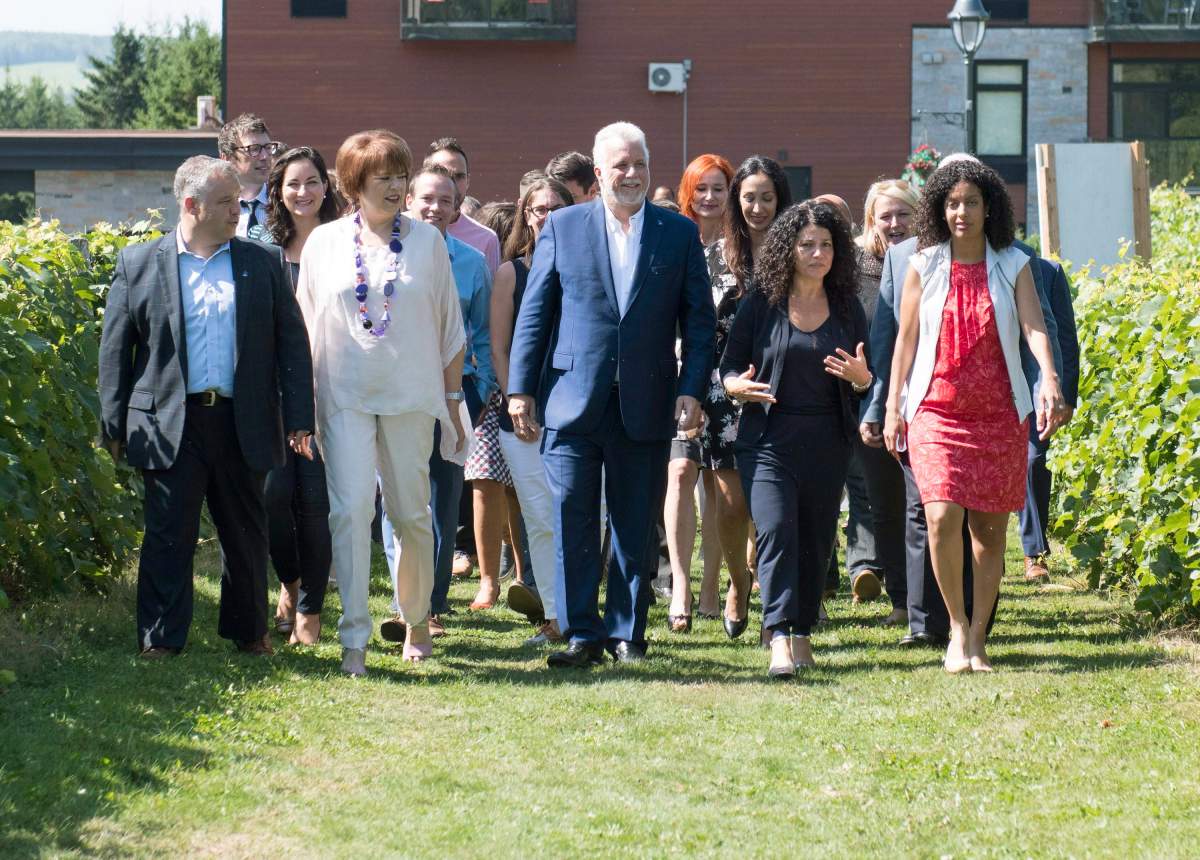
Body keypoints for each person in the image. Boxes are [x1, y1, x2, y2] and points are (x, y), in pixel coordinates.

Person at [508, 121, 716, 667]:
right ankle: (582, 633)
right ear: (598, 172)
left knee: (633, 524)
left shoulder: (678, 233)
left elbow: (699, 321)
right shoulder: (564, 226)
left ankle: (627, 634)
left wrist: (692, 387)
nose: (631, 174)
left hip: (646, 402)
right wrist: (520, 390)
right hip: (572, 399)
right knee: (572, 519)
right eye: (620, 165)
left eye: (640, 163)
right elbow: (535, 314)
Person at [98, 155, 315, 657]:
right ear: (192, 205)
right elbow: (116, 350)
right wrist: (113, 425)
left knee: (245, 531)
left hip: (243, 419)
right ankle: (160, 639)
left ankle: (249, 632)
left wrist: (299, 419)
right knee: (167, 532)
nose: (238, 210)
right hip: (168, 421)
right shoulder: (139, 263)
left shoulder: (262, 262)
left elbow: (292, 343)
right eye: (226, 202)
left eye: (237, 200)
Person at [865, 155, 1063, 649]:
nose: (961, 213)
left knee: (988, 534)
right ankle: (954, 627)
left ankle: (978, 636)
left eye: (971, 203)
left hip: (999, 415)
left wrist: (1049, 378)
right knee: (940, 516)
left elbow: (1035, 327)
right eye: (952, 203)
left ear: (989, 207)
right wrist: (892, 406)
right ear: (939, 208)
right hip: (935, 411)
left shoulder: (1014, 264)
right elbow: (904, 341)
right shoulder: (922, 264)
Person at [296, 129, 466, 676]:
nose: (395, 188)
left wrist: (452, 401)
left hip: (410, 395)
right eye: (383, 178)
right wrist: (300, 409)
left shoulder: (427, 242)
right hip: (342, 395)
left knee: (410, 513)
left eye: (400, 176)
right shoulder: (323, 243)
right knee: (349, 512)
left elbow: (450, 328)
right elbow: (304, 329)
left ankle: (415, 618)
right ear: (353, 184)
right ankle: (354, 638)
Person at [721, 201, 871, 678]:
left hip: (828, 441)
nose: (817, 253)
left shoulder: (847, 308)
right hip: (768, 441)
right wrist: (734, 386)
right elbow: (728, 366)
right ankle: (780, 635)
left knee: (816, 538)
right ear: (788, 249)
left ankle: (802, 631)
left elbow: (870, 375)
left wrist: (862, 380)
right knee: (776, 532)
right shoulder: (760, 304)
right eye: (807, 244)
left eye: (826, 245)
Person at [376, 163, 494, 639]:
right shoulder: (381, 256)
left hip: (453, 393)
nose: (435, 208)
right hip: (397, 392)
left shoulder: (471, 262)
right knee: (397, 498)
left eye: (445, 200)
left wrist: (477, 395)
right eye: (426, 198)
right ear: (408, 201)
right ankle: (404, 599)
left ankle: (433, 602)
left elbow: (483, 336)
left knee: (444, 502)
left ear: (457, 208)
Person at [490, 176, 575, 644]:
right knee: (540, 518)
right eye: (539, 209)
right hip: (523, 415)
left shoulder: (587, 267)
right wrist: (515, 400)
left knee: (582, 516)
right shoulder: (510, 273)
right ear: (526, 215)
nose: (547, 216)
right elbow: (499, 347)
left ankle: (581, 612)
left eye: (556, 208)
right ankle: (556, 617)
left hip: (576, 410)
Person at [262, 146, 341, 645]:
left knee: (315, 502)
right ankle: (288, 582)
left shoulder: (343, 246)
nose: (303, 191)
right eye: (292, 183)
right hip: (271, 396)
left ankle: (310, 610)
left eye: (312, 181)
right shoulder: (262, 252)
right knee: (273, 498)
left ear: (326, 187)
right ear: (278, 192)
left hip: (327, 390)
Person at [714, 155, 793, 641]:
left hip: (786, 392)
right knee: (731, 505)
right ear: (736, 201)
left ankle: (771, 597)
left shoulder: (798, 254)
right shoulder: (714, 257)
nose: (758, 207)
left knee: (772, 507)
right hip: (725, 393)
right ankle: (739, 582)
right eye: (749, 198)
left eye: (767, 197)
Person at [662, 153, 735, 631]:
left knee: (717, 483)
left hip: (728, 378)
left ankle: (712, 586)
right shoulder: (674, 241)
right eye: (700, 188)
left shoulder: (739, 250)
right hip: (680, 374)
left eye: (718, 188)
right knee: (680, 471)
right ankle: (681, 587)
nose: (709, 197)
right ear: (687, 192)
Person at [848, 179, 921, 625]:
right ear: (871, 221)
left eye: (903, 214)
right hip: (870, 397)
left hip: (924, 397)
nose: (895, 224)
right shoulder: (852, 269)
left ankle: (930, 596)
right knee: (885, 502)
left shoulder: (931, 260)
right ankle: (900, 597)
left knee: (922, 505)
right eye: (885, 216)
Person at [1020, 259, 1079, 581]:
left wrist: (1066, 395)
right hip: (992, 385)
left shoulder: (1048, 271)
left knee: (1033, 461)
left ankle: (1034, 553)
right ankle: (986, 549)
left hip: (1037, 387)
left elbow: (1066, 338)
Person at [427, 137, 501, 273]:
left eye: (459, 176)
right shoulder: (400, 229)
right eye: (443, 174)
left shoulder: (486, 239)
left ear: (468, 181)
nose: (452, 184)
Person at [218, 113, 281, 241]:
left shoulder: (284, 201)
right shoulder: (214, 208)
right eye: (254, 149)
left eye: (268, 148)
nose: (264, 156)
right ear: (227, 158)